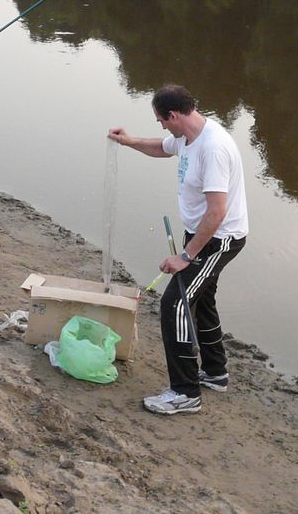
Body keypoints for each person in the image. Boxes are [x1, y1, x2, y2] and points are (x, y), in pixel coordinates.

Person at [109, 84, 248, 415]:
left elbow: (217, 212)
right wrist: (128, 142)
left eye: (160, 119)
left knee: (175, 303)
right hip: (200, 234)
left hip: (219, 239)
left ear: (174, 114)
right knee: (201, 300)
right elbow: (161, 147)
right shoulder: (186, 136)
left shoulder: (213, 148)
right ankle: (215, 373)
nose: (160, 126)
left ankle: (185, 392)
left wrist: (186, 256)